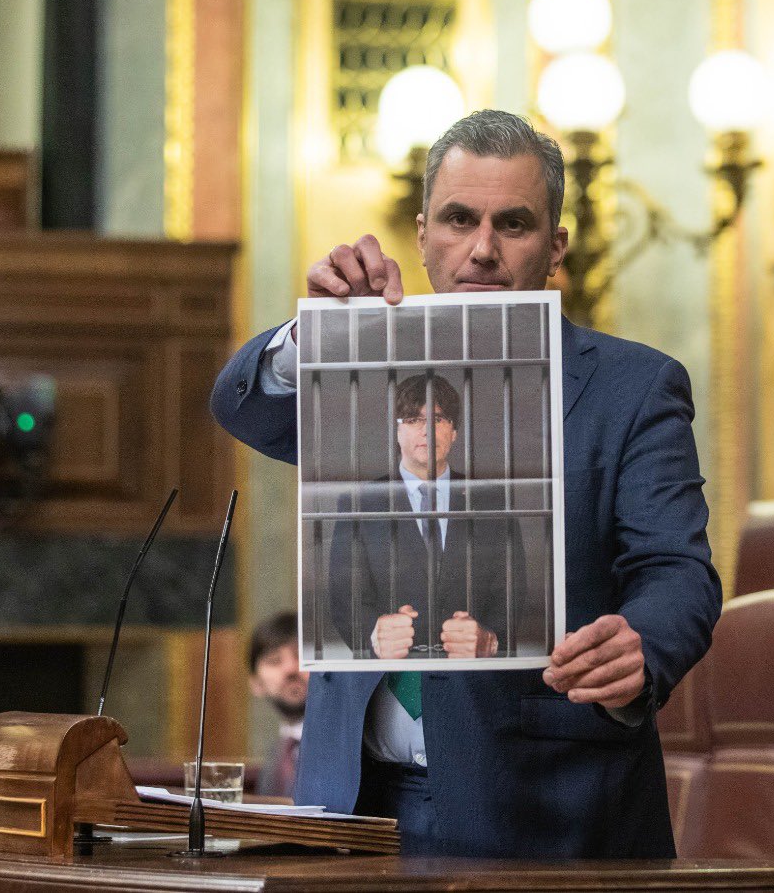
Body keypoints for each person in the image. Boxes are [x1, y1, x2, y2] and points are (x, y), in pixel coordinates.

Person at [211, 108, 720, 858]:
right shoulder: (363, 360)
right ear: (422, 236)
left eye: (513, 224)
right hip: (351, 803)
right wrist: (311, 336)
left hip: (545, 808)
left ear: (556, 246)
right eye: (459, 220)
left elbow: (677, 571)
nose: (482, 249)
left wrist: (643, 642)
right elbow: (243, 407)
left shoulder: (633, 388)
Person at [326, 374, 520, 663]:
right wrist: (374, 637)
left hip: (473, 673)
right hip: (393, 674)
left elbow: (514, 593)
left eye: (438, 419)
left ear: (454, 431)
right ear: (397, 432)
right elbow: (344, 599)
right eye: (413, 420)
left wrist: (490, 640)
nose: (427, 430)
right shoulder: (360, 502)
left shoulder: (491, 500)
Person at [247, 612, 307, 799]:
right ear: (256, 684)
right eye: (274, 660)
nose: (290, 668)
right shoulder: (276, 755)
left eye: (301, 656)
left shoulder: (352, 748)